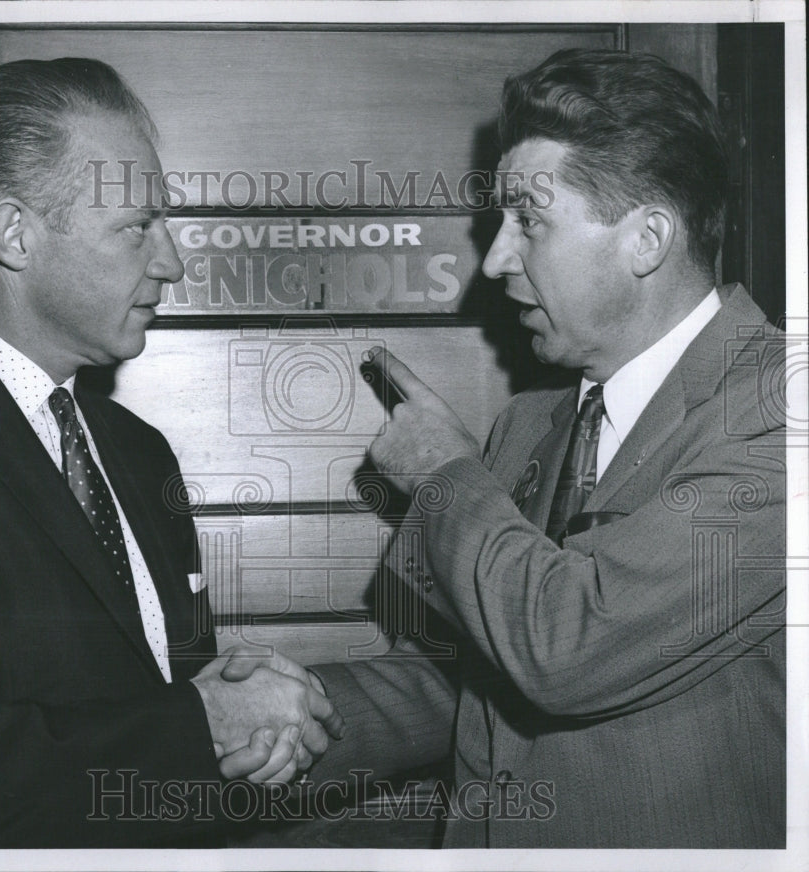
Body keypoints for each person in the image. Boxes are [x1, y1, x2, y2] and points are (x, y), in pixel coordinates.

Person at [226, 48, 787, 847]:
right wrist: (275, 719)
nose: (493, 261)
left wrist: (443, 473)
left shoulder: (780, 414)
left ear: (648, 238)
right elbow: (462, 678)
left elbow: (569, 648)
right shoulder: (530, 425)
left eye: (528, 220)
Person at [0, 57, 343, 849]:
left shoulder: (139, 455)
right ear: (15, 233)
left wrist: (246, 731)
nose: (172, 260)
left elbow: (169, 718)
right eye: (138, 225)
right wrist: (202, 721)